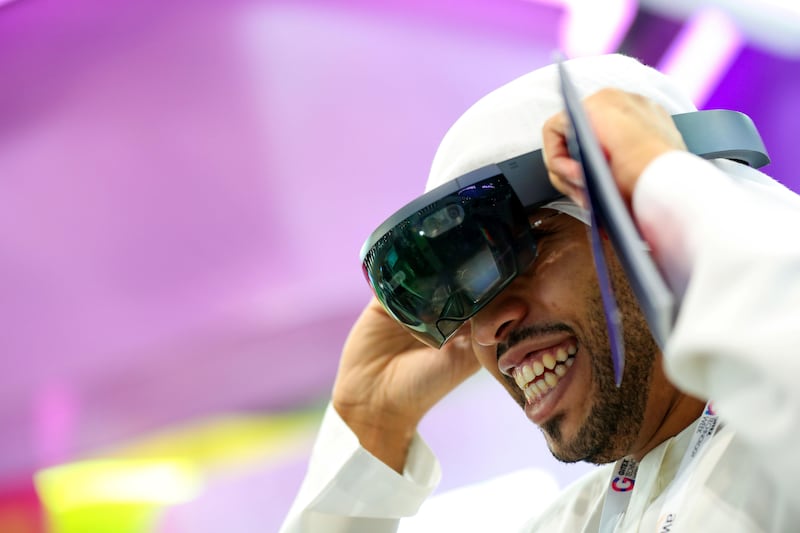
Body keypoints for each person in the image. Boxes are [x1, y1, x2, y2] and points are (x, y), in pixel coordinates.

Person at [279, 53, 800, 532]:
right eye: (464, 299)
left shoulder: (765, 457)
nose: (484, 329)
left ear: (650, 228)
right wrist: (373, 425)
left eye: (520, 248)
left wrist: (660, 173)